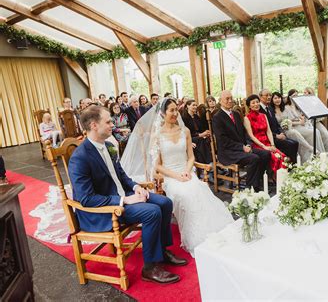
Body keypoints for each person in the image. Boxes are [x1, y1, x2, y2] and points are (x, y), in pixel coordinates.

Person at [69, 105, 187, 284]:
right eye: (108, 122)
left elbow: (121, 176)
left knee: (164, 202)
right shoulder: (80, 157)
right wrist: (124, 200)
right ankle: (150, 267)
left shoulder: (108, 146)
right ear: (93, 125)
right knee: (152, 212)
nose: (113, 125)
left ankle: (161, 251)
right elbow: (86, 199)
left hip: (122, 196)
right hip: (103, 211)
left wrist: (136, 187)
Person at [149, 98, 233, 254]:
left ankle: (211, 229)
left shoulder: (185, 131)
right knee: (185, 194)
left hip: (186, 172)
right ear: (162, 113)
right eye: (171, 110)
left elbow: (191, 157)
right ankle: (195, 236)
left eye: (176, 110)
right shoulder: (157, 135)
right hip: (170, 176)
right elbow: (158, 165)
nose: (175, 113)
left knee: (201, 188)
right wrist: (176, 176)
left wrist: (187, 171)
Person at [271, 92, 323, 162]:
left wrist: (291, 123)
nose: (277, 100)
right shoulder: (271, 111)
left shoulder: (284, 109)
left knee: (294, 132)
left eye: (279, 98)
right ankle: (310, 148)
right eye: (275, 98)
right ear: (272, 100)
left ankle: (311, 151)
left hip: (289, 127)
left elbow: (290, 120)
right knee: (293, 132)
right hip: (281, 130)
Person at [244, 94, 287, 176]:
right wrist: (264, 147)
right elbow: (251, 136)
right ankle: (271, 176)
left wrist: (272, 144)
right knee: (275, 158)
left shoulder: (263, 115)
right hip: (257, 144)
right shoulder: (247, 118)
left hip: (267, 142)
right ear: (249, 106)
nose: (256, 104)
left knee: (282, 156)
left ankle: (280, 178)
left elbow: (269, 132)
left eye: (257, 102)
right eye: (253, 103)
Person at [258, 89, 298, 163]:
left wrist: (281, 133)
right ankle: (287, 167)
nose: (269, 97)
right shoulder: (259, 109)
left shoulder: (269, 108)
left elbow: (276, 123)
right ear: (260, 97)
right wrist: (276, 136)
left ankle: (292, 167)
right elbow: (262, 129)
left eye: (270, 95)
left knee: (295, 143)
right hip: (269, 138)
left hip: (277, 134)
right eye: (266, 95)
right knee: (291, 145)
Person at [182, 100, 212, 164]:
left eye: (196, 105)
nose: (195, 107)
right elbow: (186, 134)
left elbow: (201, 129)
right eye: (193, 105)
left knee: (209, 138)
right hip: (190, 138)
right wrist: (200, 135)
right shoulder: (184, 118)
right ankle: (208, 163)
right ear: (187, 106)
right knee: (200, 140)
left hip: (199, 136)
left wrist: (206, 132)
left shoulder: (196, 117)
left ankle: (213, 162)